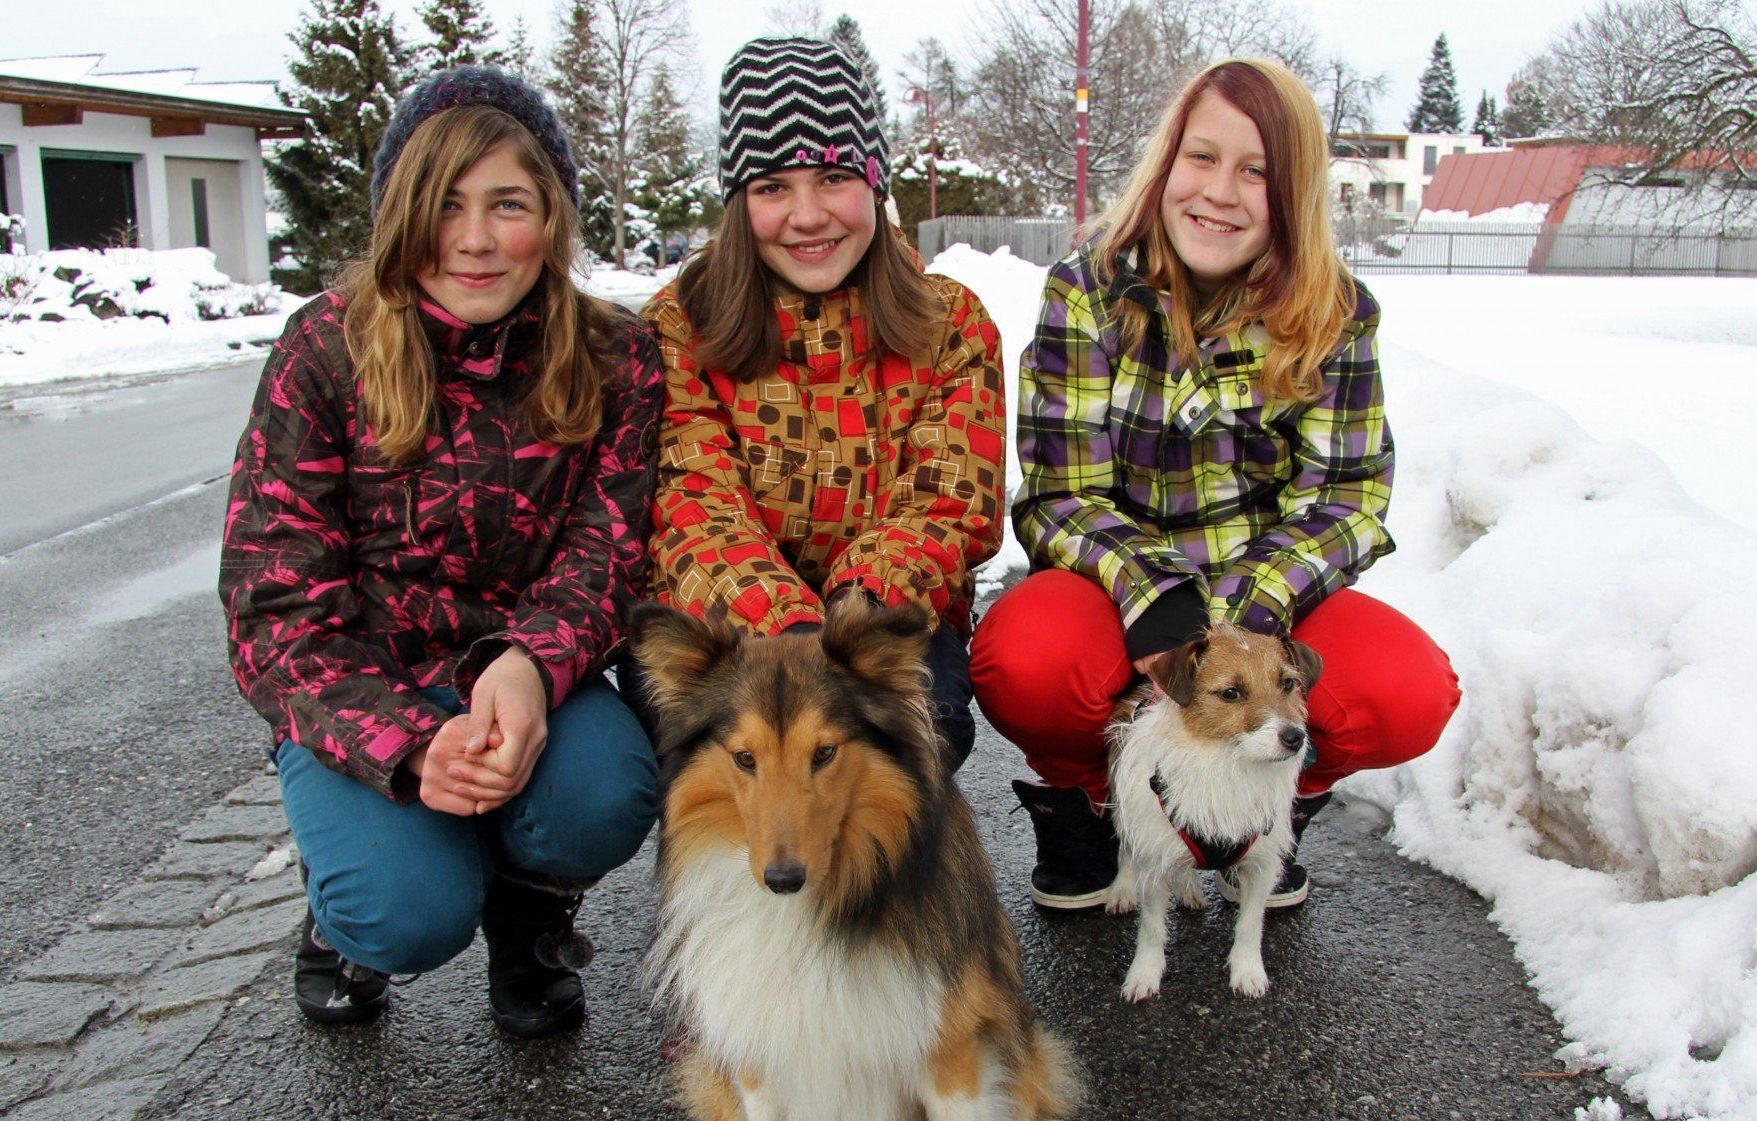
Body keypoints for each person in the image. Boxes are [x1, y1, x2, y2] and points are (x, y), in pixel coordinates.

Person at [219, 68, 662, 1037]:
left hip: (523, 671)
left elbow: (611, 549)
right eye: (444, 205)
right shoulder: (323, 355)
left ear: (550, 218)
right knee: (404, 914)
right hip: (369, 686)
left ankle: (530, 913)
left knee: (607, 792)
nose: (472, 239)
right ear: (400, 214)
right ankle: (343, 925)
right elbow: (274, 614)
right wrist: (410, 747)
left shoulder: (614, 357)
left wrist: (532, 665)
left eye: (507, 204)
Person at [970, 58, 1460, 912]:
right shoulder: (1087, 290)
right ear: (1167, 164)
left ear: (1294, 190)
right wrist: (1154, 593)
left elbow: (1347, 496)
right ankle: (1093, 802)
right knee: (1026, 659)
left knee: (1406, 688)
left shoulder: (1336, 313)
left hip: (1271, 596)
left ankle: (1269, 813)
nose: (1220, 192)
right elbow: (1059, 494)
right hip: (1118, 591)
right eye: (1201, 158)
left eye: (1256, 170)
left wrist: (1251, 613)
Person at [640, 36, 1005, 770]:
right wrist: (792, 636)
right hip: (727, 625)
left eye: (834, 176)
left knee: (910, 730)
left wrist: (848, 627)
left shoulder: (950, 321)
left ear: (875, 181)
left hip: (877, 621)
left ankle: (882, 875)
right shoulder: (680, 324)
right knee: (720, 741)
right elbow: (694, 500)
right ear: (740, 203)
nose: (807, 215)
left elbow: (947, 502)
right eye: (773, 187)